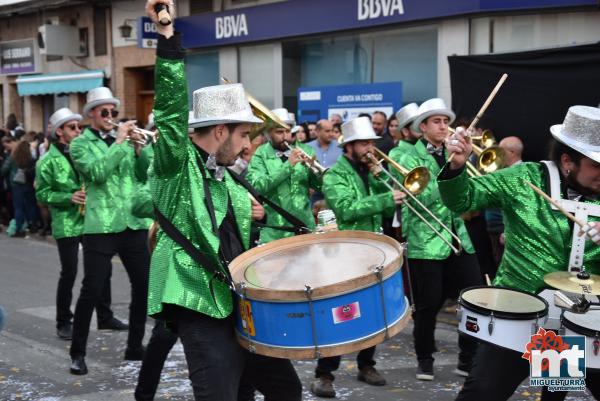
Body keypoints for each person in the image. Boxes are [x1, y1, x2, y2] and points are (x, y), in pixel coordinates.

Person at [144, 3, 302, 400]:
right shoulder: (175, 167)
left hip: (242, 304)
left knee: (286, 390)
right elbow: (170, 112)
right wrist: (168, 41)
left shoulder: (230, 178)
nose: (250, 145)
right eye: (245, 135)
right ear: (219, 131)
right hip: (199, 306)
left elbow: (240, 244)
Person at [442, 105, 600, 401]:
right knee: (484, 392)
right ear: (568, 161)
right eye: (597, 165)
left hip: (580, 318)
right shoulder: (524, 179)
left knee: (554, 389)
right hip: (518, 312)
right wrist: (456, 167)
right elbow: (462, 200)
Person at [310, 116, 406, 398]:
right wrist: (386, 199)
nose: (369, 149)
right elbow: (346, 209)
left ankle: (366, 364)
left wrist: (381, 184)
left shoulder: (371, 170)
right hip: (346, 251)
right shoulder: (334, 174)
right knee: (342, 314)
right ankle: (324, 374)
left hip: (373, 248)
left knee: (375, 311)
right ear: (349, 146)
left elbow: (386, 213)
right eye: (363, 143)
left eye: (371, 143)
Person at [68, 85, 151, 375]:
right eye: (104, 111)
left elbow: (143, 174)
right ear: (92, 114)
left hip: (132, 223)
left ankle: (134, 345)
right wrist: (119, 142)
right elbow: (97, 174)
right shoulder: (80, 144)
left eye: (113, 111)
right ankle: (77, 353)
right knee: (91, 289)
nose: (110, 115)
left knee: (143, 286)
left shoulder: (127, 142)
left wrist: (140, 151)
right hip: (100, 225)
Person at [402, 98, 482, 381]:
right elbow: (421, 195)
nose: (444, 126)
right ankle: (425, 360)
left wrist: (462, 163)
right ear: (422, 127)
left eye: (446, 121)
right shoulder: (407, 156)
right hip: (426, 240)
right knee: (428, 305)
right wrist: (451, 167)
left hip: (458, 237)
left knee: (475, 298)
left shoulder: (456, 150)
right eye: (437, 121)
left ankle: (468, 357)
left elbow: (467, 194)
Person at [35, 108, 116, 341]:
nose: (78, 131)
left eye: (79, 127)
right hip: (66, 223)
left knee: (104, 268)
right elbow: (41, 194)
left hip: (91, 219)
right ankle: (63, 321)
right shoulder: (46, 161)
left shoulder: (84, 150)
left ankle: (105, 315)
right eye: (72, 128)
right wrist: (67, 197)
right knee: (69, 272)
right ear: (59, 131)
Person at [247, 107, 321, 243]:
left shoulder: (305, 149)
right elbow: (256, 186)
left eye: (288, 131)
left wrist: (318, 175)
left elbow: (320, 187)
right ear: (269, 133)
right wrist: (288, 165)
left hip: (305, 227)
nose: (285, 136)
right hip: (275, 231)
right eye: (279, 132)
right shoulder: (260, 154)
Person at [485, 135, 525, 270]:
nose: (497, 154)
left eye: (500, 150)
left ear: (512, 153)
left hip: (505, 231)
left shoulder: (522, 174)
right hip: (497, 229)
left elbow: (522, 207)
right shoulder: (504, 171)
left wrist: (509, 232)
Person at [1, 139, 40, 236]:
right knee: (31, 206)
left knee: (18, 207)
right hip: (29, 185)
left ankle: (19, 228)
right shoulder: (32, 159)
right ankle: (32, 225)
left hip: (17, 185)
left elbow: (4, 170)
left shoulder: (13, 157)